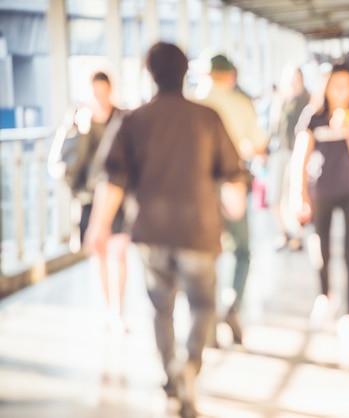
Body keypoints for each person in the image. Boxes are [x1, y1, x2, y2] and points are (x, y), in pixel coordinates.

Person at [84, 42, 248, 418]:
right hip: (199, 230)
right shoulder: (207, 117)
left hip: (151, 231)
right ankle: (190, 365)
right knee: (203, 304)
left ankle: (171, 377)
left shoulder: (133, 120)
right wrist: (235, 204)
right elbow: (233, 172)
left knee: (162, 307)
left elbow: (113, 179)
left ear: (149, 73)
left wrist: (99, 226)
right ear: (186, 71)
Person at [292, 63, 349, 340]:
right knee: (322, 248)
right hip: (320, 191)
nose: (342, 91)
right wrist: (299, 193)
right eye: (336, 85)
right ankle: (325, 296)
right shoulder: (312, 117)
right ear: (325, 87)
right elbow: (300, 158)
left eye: (347, 86)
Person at [194, 54, 268, 346]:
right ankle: (232, 305)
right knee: (241, 250)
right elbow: (257, 145)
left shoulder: (192, 103)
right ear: (231, 76)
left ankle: (208, 318)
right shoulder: (240, 104)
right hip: (233, 183)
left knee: (207, 252)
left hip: (198, 188)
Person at [48, 71, 129, 329]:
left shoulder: (121, 116)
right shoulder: (78, 117)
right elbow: (64, 159)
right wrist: (80, 130)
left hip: (117, 193)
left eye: (104, 92)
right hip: (88, 195)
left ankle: (118, 310)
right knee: (100, 252)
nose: (100, 97)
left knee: (119, 250)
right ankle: (108, 309)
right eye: (95, 92)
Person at [268, 67, 311, 251]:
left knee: (295, 194)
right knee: (275, 196)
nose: (292, 83)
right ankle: (283, 232)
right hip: (280, 151)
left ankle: (297, 234)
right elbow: (273, 128)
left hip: (297, 152)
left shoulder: (307, 101)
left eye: (296, 79)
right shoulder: (280, 100)